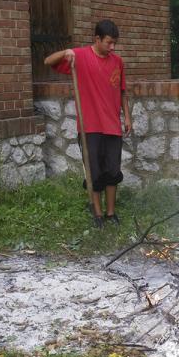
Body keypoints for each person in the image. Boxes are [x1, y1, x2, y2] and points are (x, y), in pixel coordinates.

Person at [44, 19, 132, 228]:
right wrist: (66, 53)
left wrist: (127, 117)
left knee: (113, 171)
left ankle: (111, 214)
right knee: (94, 172)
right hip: (89, 126)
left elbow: (122, 91)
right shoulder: (80, 56)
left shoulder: (117, 61)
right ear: (97, 39)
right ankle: (98, 215)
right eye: (109, 42)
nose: (112, 47)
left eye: (115, 43)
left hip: (113, 126)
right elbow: (48, 61)